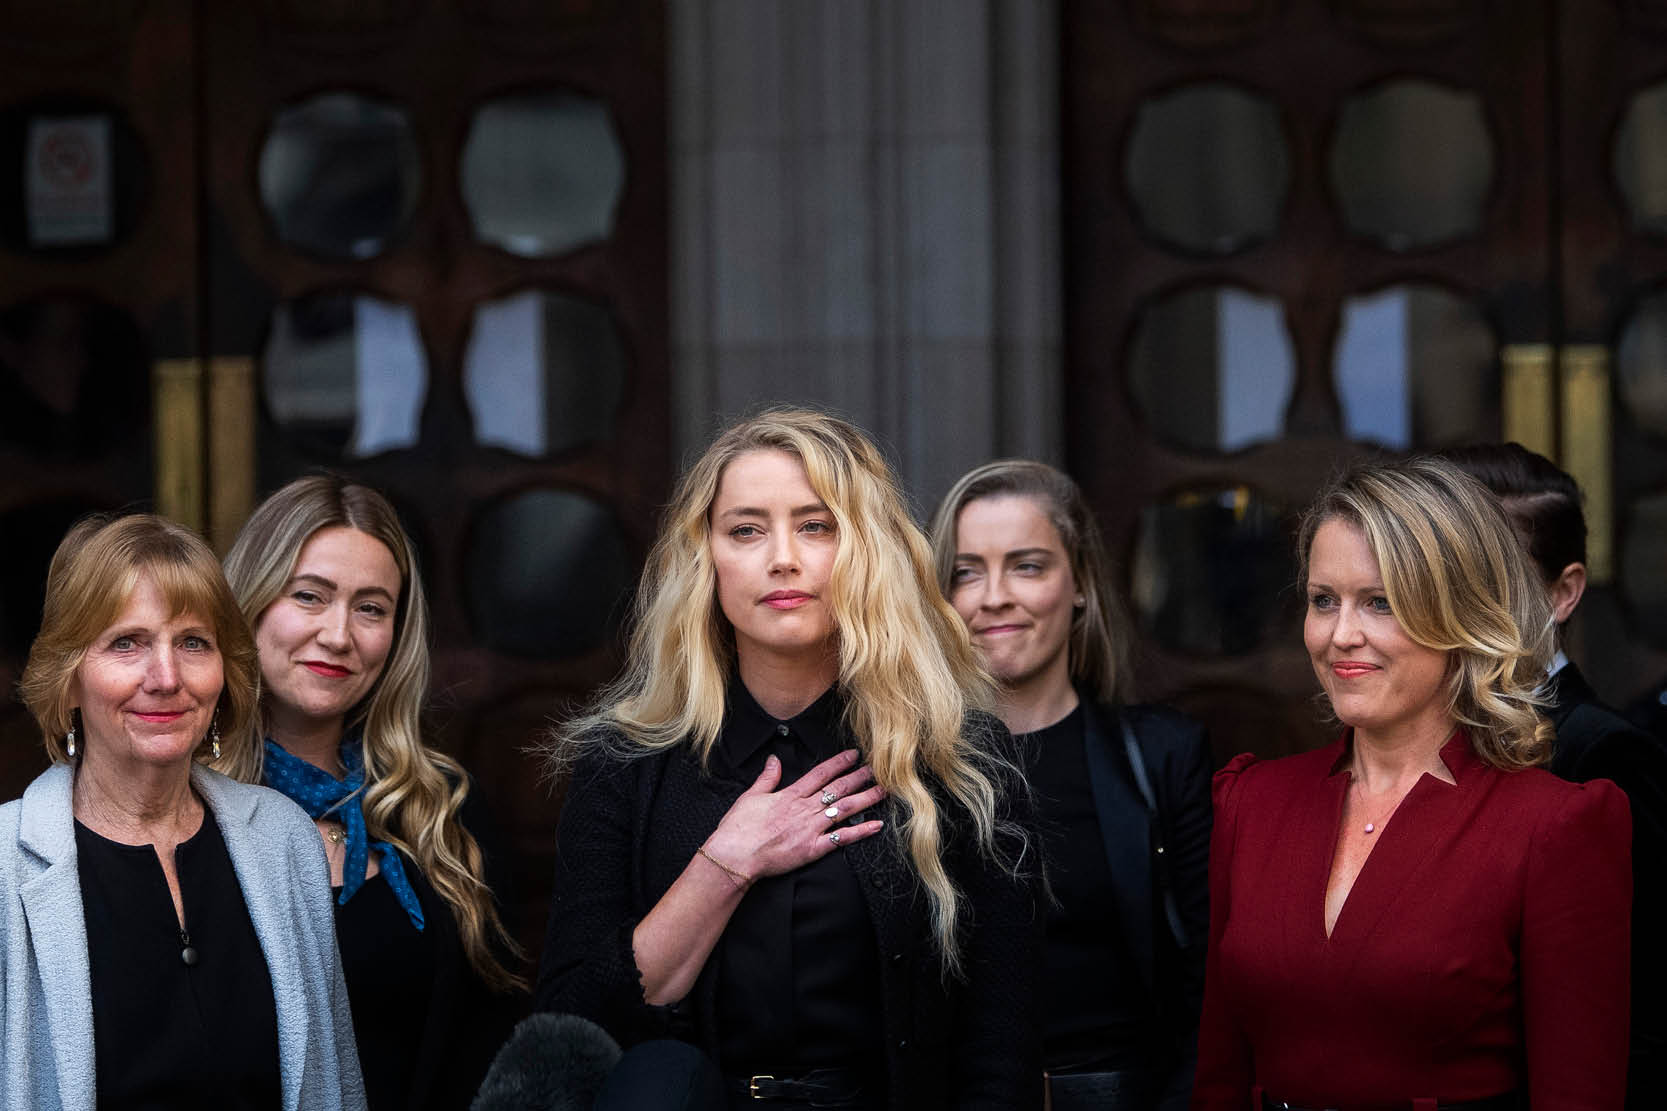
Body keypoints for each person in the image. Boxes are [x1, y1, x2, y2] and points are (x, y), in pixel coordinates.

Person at [537, 408, 1041, 1110]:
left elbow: (998, 1046)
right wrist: (725, 862)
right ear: (704, 557)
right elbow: (570, 1020)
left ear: (868, 549)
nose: (782, 556)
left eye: (816, 525)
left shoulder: (957, 760)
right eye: (746, 529)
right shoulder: (622, 763)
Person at [1193, 458, 1632, 1109]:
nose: (1341, 634)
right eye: (1322, 601)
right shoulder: (1252, 803)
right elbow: (1219, 1074)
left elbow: (1577, 1093)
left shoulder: (1552, 826)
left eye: (1380, 602)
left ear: (1461, 615)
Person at [2, 513, 364, 1111]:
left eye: (193, 643)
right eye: (127, 643)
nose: (166, 677)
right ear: (67, 679)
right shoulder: (4, 870)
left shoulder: (284, 839)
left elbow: (335, 1083)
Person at [222, 476, 523, 1111]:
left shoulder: (443, 812)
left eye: (371, 608)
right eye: (309, 596)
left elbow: (494, 1038)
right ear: (247, 605)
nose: (339, 634)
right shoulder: (180, 805)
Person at [929, 460, 1209, 1111]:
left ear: (1078, 581)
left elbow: (1207, 986)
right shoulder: (903, 768)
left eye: (1026, 565)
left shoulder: (1164, 754)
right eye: (966, 571)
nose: (992, 594)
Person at [1444, 442, 1667, 1106]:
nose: (1458, 605)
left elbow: (1641, 1008)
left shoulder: (1603, 754)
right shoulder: (1413, 738)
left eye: (1490, 579)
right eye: (1443, 576)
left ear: (1563, 591)